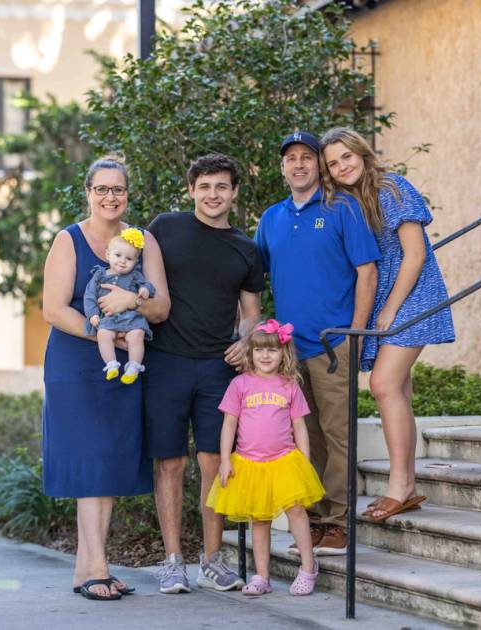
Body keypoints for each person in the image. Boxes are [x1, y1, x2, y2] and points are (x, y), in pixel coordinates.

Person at [41, 155, 170, 600]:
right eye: (102, 189)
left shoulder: (143, 241)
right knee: (89, 459)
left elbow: (161, 307)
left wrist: (131, 305)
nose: (110, 197)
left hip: (123, 364)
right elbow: (53, 309)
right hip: (76, 363)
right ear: (88, 192)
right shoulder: (68, 239)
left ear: (127, 195)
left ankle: (86, 567)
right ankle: (97, 566)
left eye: (118, 189)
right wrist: (105, 332)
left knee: (109, 461)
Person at [319, 127, 455, 523]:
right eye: (333, 163)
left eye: (347, 156)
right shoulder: (347, 200)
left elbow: (414, 255)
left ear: (362, 154)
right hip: (386, 298)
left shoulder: (393, 188)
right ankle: (407, 484)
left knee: (383, 384)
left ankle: (400, 487)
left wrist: (390, 309)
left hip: (413, 295)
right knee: (399, 389)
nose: (342, 166)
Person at [255, 131, 380, 555]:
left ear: (318, 165)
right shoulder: (270, 218)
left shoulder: (343, 208)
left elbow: (367, 271)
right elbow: (256, 280)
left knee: (338, 434)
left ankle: (338, 521)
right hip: (288, 350)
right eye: (291, 158)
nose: (299, 165)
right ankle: (310, 519)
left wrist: (356, 333)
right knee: (301, 438)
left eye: (307, 157)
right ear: (283, 167)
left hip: (333, 344)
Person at [144, 153, 264, 594]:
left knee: (214, 462)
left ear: (233, 192)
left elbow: (251, 313)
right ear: (192, 190)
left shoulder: (247, 249)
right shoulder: (164, 228)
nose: (213, 195)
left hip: (219, 367)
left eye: (222, 187)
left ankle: (211, 560)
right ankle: (172, 559)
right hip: (166, 362)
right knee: (170, 463)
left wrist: (247, 339)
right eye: (205, 186)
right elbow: (133, 275)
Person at [206, 320, 325, 596]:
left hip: (284, 460)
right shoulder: (239, 385)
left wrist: (304, 462)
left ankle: (308, 567)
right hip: (249, 462)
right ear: (250, 353)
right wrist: (225, 459)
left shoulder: (290, 386)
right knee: (259, 520)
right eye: (259, 350)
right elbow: (229, 424)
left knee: (296, 511)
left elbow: (299, 427)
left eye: (272, 350)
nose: (265, 356)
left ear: (284, 353)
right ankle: (262, 576)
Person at [83, 227, 157, 384]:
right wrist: (93, 314)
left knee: (137, 334)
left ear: (135, 262)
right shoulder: (99, 275)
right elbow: (89, 296)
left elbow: (148, 286)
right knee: (103, 334)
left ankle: (134, 367)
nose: (123, 261)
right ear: (108, 255)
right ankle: (111, 364)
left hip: (131, 318)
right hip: (109, 318)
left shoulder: (135, 275)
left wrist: (144, 289)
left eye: (129, 259)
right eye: (118, 255)